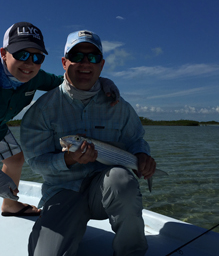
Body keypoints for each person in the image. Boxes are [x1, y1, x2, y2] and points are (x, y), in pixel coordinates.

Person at [0, 22, 120, 256]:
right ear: (4, 53)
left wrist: (104, 83)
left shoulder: (35, 77)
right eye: (22, 54)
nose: (29, 64)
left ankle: (10, 205)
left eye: (37, 57)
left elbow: (68, 83)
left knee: (15, 159)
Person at [20, 30, 156, 256]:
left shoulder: (118, 105)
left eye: (92, 58)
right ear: (64, 63)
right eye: (77, 57)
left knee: (123, 180)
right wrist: (68, 159)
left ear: (101, 65)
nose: (85, 63)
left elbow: (135, 140)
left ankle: (131, 252)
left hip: (105, 192)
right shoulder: (42, 110)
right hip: (63, 190)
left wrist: (142, 155)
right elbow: (36, 162)